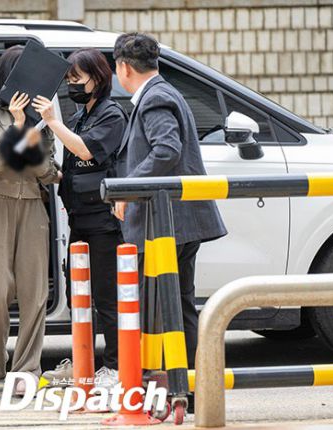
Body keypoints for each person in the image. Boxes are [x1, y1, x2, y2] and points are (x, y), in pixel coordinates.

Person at [112, 33, 227, 393]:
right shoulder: (165, 92)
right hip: (182, 221)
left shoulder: (155, 98)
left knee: (163, 308)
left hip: (166, 224)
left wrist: (128, 188)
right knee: (177, 304)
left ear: (123, 68)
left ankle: (175, 386)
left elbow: (166, 149)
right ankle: (187, 387)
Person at [32, 48, 128, 388]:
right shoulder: (81, 116)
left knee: (106, 297)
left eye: (78, 79)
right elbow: (74, 166)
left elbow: (87, 150)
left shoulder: (111, 115)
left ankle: (116, 367)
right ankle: (83, 363)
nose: (72, 85)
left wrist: (53, 121)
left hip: (104, 221)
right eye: (69, 79)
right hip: (80, 219)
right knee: (79, 296)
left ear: (98, 79)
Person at [0, 46, 60, 395]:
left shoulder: (42, 121)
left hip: (33, 206)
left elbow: (46, 170)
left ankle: (27, 367)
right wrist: (19, 128)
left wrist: (29, 129)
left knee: (35, 292)